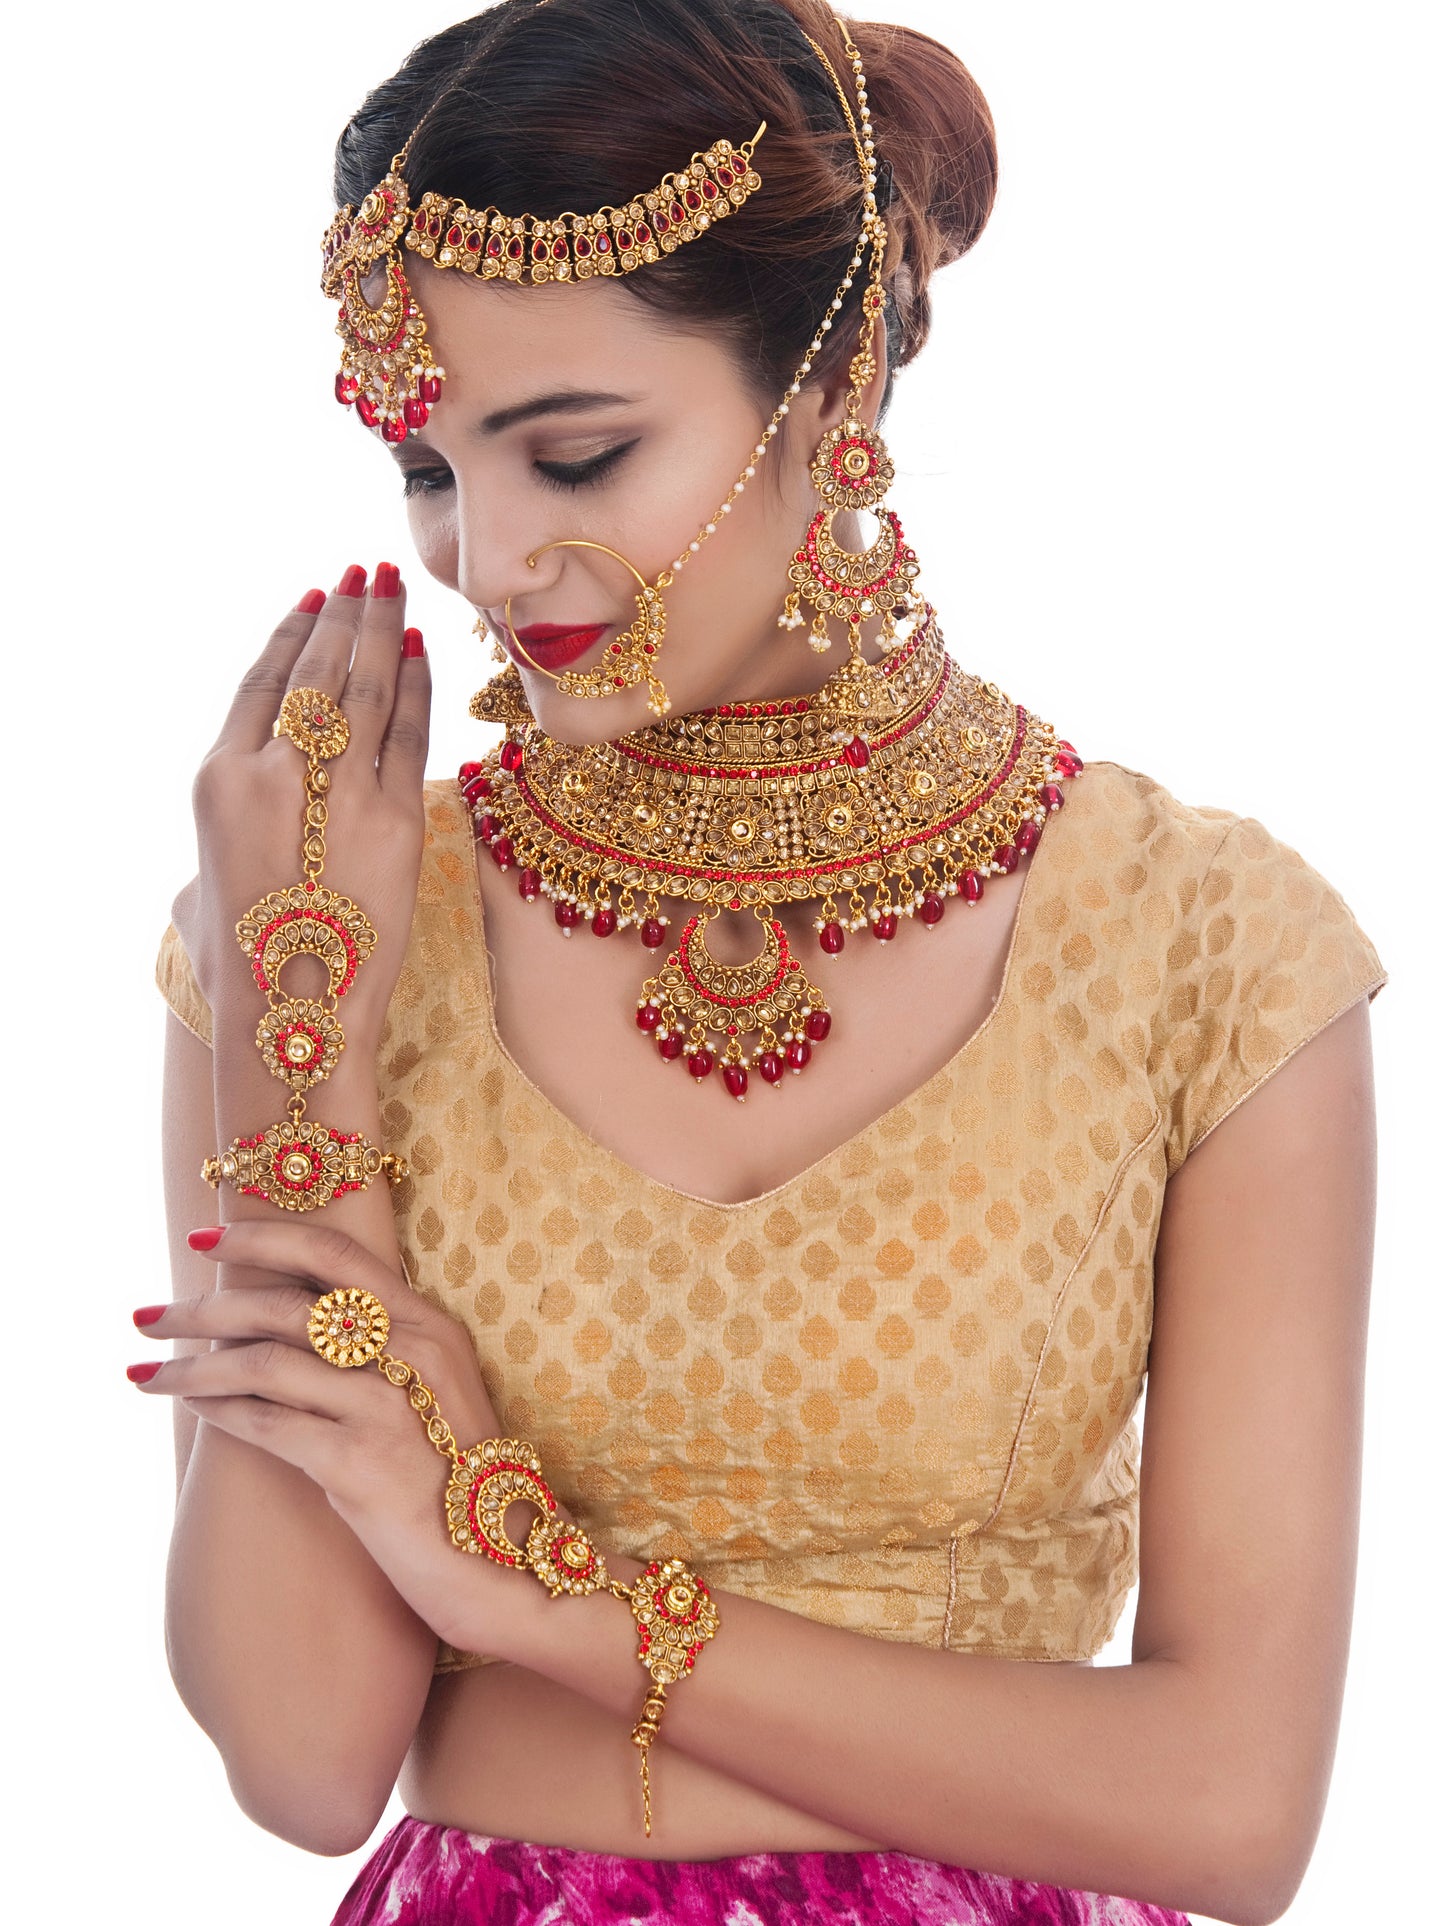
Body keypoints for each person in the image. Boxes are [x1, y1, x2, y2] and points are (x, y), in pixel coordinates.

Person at [136, 1, 1388, 1921]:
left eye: (577, 454)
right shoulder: (332, 921)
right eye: (432, 470)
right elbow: (304, 1757)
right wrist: (299, 1020)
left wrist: (546, 1597)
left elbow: (1231, 1808)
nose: (490, 558)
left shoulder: (1199, 945)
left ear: (830, 389)